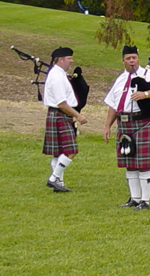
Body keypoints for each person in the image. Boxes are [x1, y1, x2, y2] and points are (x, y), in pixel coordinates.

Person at [103, 45, 150, 210]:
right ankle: (135, 198)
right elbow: (113, 104)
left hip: (142, 122)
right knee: (129, 162)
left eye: (134, 58)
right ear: (123, 61)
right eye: (128, 58)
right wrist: (107, 126)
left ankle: (145, 201)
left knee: (144, 163)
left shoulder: (148, 75)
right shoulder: (119, 79)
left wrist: (145, 94)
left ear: (138, 59)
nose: (131, 61)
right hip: (124, 123)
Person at [42, 47, 87, 193]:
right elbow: (62, 103)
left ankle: (59, 183)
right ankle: (54, 178)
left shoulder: (59, 74)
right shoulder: (56, 76)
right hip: (60, 113)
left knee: (59, 152)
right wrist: (78, 116)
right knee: (71, 150)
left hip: (58, 115)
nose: (71, 61)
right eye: (69, 59)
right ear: (60, 60)